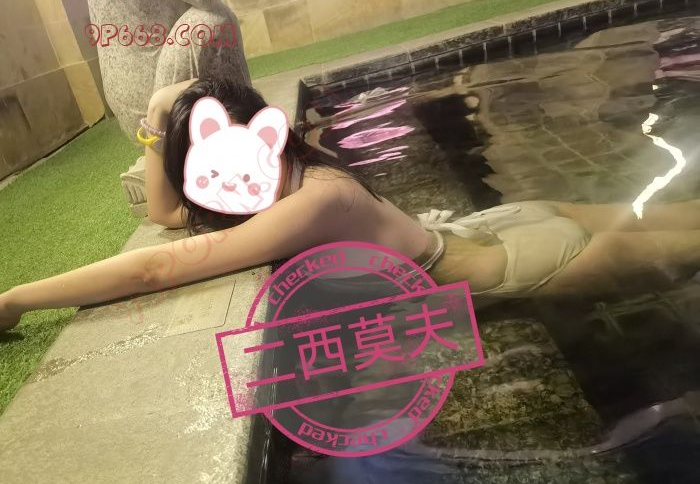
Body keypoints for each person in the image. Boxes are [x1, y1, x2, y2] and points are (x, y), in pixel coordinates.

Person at [1, 77, 699, 332]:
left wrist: (17, 298)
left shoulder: (314, 203)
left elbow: (157, 265)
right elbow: (164, 215)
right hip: (495, 226)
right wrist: (156, 121)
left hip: (516, 263)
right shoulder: (294, 173)